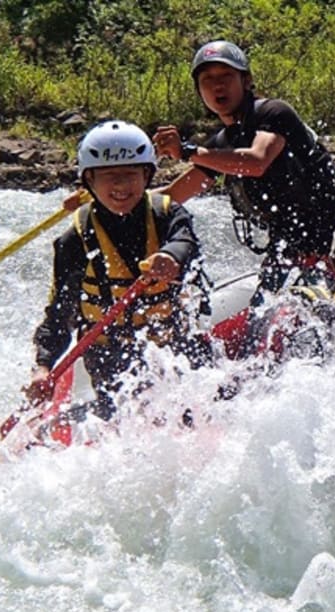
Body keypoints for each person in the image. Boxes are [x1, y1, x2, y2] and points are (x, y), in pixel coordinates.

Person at [27, 120, 212, 420]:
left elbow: (185, 241)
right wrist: (43, 367)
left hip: (172, 346)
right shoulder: (75, 239)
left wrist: (170, 256)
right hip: (111, 358)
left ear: (147, 175)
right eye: (109, 177)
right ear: (89, 181)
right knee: (122, 417)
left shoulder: (167, 214)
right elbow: (59, 314)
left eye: (130, 175)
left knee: (202, 397)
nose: (121, 186)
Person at [152, 40, 335, 300]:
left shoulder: (274, 112)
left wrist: (187, 152)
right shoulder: (223, 144)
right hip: (286, 251)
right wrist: (104, 195)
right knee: (258, 323)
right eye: (207, 80)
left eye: (226, 76)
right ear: (199, 91)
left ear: (246, 81)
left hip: (333, 245)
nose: (217, 85)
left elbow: (257, 162)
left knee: (305, 313)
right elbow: (171, 196)